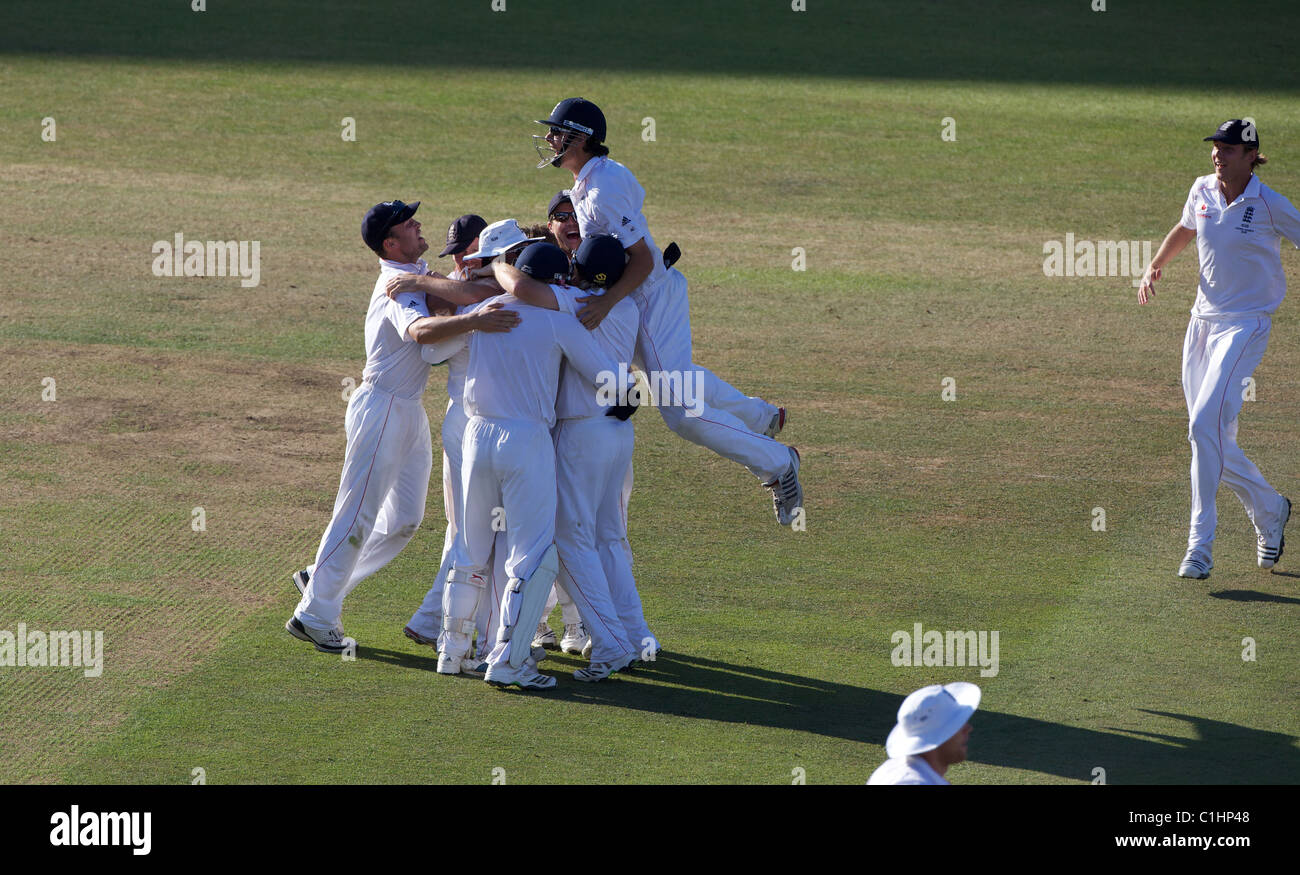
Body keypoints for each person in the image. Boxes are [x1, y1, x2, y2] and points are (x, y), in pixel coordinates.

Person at [531, 97, 803, 526]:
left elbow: (639, 261)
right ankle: (761, 416)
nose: (549, 138)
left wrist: (606, 301)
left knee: (680, 411)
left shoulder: (602, 190)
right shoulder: (588, 182)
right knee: (676, 379)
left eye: (557, 132)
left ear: (580, 138)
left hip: (647, 296)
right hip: (637, 294)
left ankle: (779, 464)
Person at [286, 200, 517, 653]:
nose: (417, 225)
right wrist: (476, 320)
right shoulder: (397, 285)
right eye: (408, 224)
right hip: (383, 406)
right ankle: (314, 613)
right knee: (357, 513)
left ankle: (321, 580)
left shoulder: (416, 272)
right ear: (390, 243)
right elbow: (420, 334)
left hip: (408, 410)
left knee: (404, 521)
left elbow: (449, 295)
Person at [442, 242, 633, 689]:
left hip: (475, 436)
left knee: (470, 550)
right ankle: (509, 662)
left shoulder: (485, 310)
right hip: (525, 440)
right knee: (533, 556)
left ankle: (452, 652)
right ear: (555, 282)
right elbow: (611, 381)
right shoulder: (558, 322)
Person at [1138, 119, 1300, 579]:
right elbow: (1186, 228)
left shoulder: (1270, 204)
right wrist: (1154, 266)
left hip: (1245, 326)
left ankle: (1199, 546)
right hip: (1200, 325)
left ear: (1252, 156)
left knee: (1202, 424)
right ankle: (1271, 509)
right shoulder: (1202, 190)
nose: (1218, 154)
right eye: (1216, 147)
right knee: (1207, 436)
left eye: (1229, 149)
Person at [492, 235, 651, 680]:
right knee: (609, 539)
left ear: (580, 270)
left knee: (569, 540)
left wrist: (503, 264)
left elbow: (520, 289)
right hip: (617, 431)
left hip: (580, 431)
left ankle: (610, 645)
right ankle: (635, 636)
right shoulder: (626, 306)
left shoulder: (575, 301)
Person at [867, 683, 979, 785]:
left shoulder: (894, 769)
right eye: (956, 725)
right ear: (936, 737)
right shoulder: (912, 782)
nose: (968, 728)